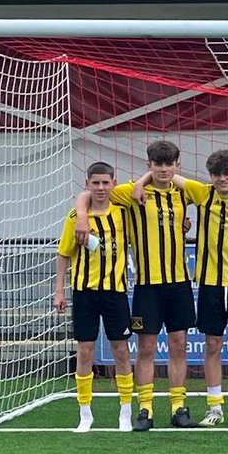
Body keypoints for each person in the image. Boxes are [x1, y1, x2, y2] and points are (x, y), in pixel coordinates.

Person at [134, 150, 228, 427]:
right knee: (212, 344)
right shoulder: (202, 193)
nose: (222, 179)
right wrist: (140, 183)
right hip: (209, 284)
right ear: (210, 176)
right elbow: (166, 175)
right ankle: (214, 407)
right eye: (217, 174)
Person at [76, 140, 196, 430]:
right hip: (147, 285)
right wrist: (81, 215)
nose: (164, 169)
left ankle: (178, 407)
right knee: (147, 346)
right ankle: (145, 408)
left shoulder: (184, 192)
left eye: (169, 164)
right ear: (149, 165)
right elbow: (88, 193)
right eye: (158, 164)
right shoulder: (131, 193)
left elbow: (211, 189)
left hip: (179, 282)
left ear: (177, 165)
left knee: (179, 345)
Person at [54, 162, 135, 432]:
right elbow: (64, 253)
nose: (101, 188)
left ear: (114, 183)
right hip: (85, 293)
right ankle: (85, 413)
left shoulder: (124, 214)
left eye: (105, 182)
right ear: (87, 184)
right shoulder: (74, 217)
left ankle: (125, 412)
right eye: (95, 183)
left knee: (121, 350)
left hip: (116, 292)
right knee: (85, 351)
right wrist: (59, 291)